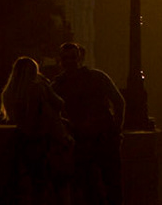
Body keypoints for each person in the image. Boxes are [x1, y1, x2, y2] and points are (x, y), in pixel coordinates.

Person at [53, 41, 125, 205]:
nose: (70, 62)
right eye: (67, 58)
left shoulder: (58, 85)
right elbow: (119, 102)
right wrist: (116, 129)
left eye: (72, 58)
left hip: (87, 141)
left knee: (91, 187)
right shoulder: (97, 77)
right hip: (96, 140)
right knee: (108, 185)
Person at [0, 55, 69, 204]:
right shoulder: (37, 88)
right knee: (47, 182)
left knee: (23, 182)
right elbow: (59, 103)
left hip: (21, 139)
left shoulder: (8, 92)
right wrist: (47, 86)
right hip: (42, 139)